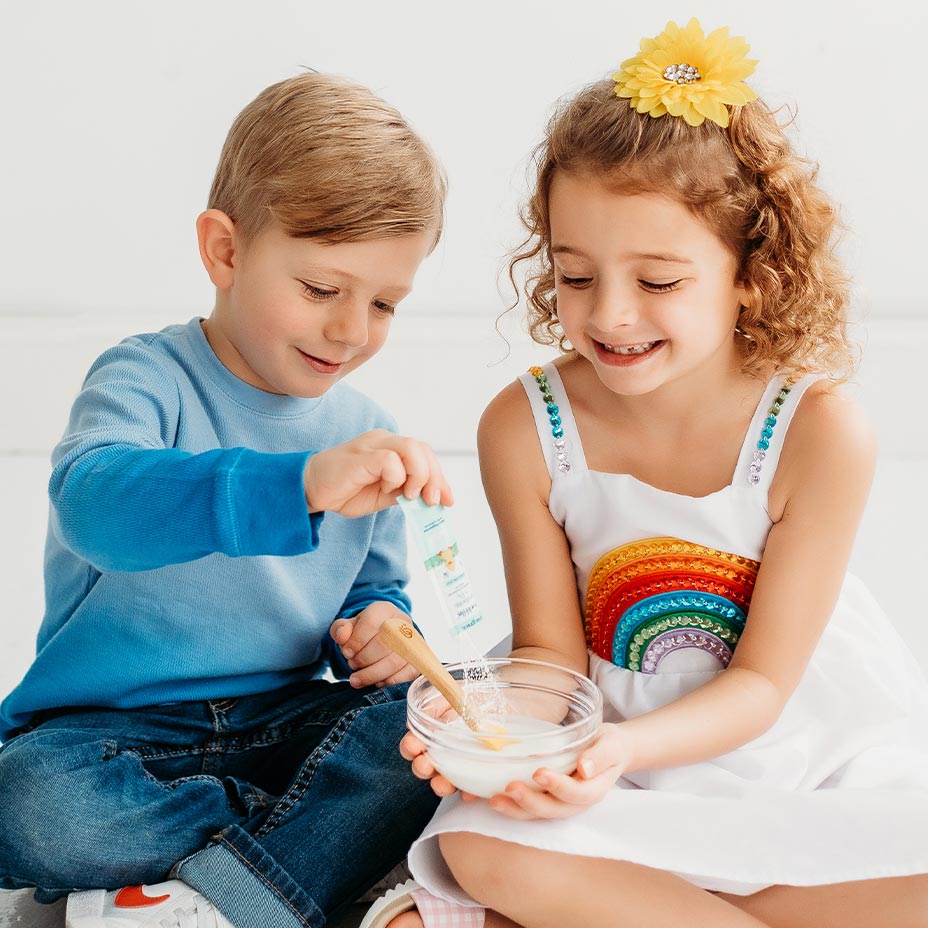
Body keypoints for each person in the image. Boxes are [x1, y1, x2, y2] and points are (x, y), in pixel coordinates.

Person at [361, 18, 928, 928]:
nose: (610, 315)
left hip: (780, 751)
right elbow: (548, 652)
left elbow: (762, 688)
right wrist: (513, 741)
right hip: (606, 746)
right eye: (575, 275)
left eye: (658, 281)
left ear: (752, 272)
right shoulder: (526, 426)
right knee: (476, 844)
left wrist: (619, 751)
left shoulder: (818, 434)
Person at [0, 71, 452, 928]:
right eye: (322, 289)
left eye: (385, 302)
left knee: (429, 728)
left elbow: (369, 595)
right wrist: (298, 484)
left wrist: (387, 634)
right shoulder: (144, 377)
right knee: (27, 810)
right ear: (226, 251)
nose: (352, 331)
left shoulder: (365, 426)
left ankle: (204, 894)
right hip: (108, 735)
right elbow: (96, 505)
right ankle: (289, 866)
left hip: (280, 722)